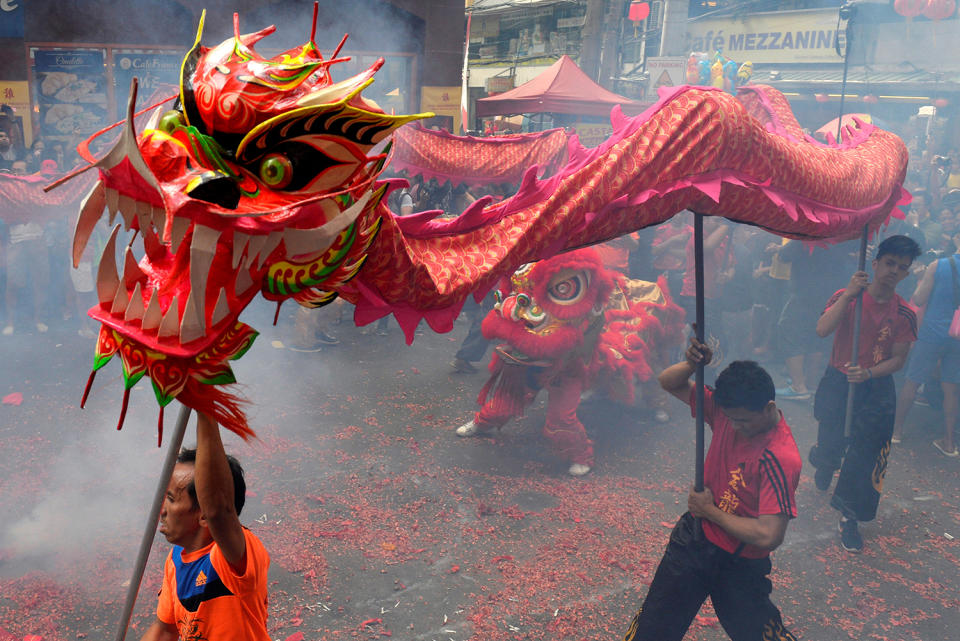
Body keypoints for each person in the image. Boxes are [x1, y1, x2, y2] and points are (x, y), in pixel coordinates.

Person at [623, 337, 800, 641]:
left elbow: (769, 534)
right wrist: (693, 364)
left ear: (768, 408)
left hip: (739, 562)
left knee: (760, 635)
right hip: (693, 540)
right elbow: (668, 382)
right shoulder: (725, 413)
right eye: (728, 418)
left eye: (742, 420)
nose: (733, 426)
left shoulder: (780, 456)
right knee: (652, 629)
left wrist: (709, 511)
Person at [808, 235, 921, 553]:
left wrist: (869, 372)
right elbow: (821, 330)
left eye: (901, 267)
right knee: (831, 443)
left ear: (906, 274)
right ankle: (826, 460)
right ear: (875, 264)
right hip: (838, 380)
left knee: (865, 454)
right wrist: (847, 296)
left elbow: (898, 360)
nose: (893, 271)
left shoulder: (905, 313)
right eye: (889, 263)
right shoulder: (847, 296)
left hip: (875, 387)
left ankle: (850, 517)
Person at [141, 412, 270, 641]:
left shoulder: (235, 557)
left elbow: (219, 510)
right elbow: (165, 630)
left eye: (171, 499)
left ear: (203, 516)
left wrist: (205, 409)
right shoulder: (176, 560)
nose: (161, 510)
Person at [893, 229, 960, 456]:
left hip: (932, 332)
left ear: (955, 238)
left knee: (912, 380)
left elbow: (920, 299)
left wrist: (918, 279)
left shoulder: (938, 266)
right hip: (957, 337)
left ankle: (896, 432)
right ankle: (949, 443)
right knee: (951, 388)